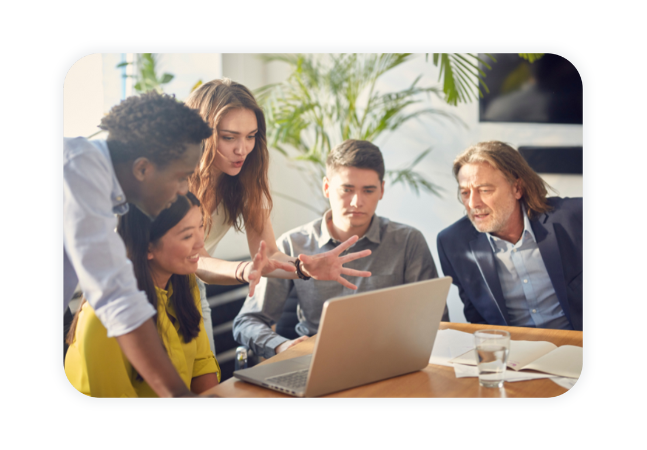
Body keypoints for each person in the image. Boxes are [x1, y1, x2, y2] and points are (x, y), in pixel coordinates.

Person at [183, 80, 373, 346]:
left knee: (201, 382)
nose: (242, 149)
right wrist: (245, 270)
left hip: (188, 290)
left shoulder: (245, 178)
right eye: (229, 137)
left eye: (251, 136)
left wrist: (304, 267)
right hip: (140, 286)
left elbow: (269, 253)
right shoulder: (177, 180)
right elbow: (194, 259)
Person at [232, 139, 444, 358]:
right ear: (326, 187)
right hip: (315, 359)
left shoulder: (408, 242)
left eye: (368, 190)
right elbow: (247, 321)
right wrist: (280, 346)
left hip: (389, 358)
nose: (356, 202)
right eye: (347, 189)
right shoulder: (293, 245)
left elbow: (435, 318)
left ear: (381, 190)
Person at [64, 91, 213, 397]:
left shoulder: (102, 191)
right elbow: (116, 298)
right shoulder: (78, 172)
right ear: (143, 168)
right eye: (181, 177)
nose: (184, 190)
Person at [66, 193, 220, 397]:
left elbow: (202, 362)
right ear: (147, 247)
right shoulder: (103, 317)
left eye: (201, 225)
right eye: (187, 235)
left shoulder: (185, 282)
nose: (201, 243)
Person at [436, 141, 582, 330]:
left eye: (485, 190)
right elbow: (478, 318)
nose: (472, 203)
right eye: (465, 192)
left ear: (517, 188)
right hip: (513, 352)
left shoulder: (576, 218)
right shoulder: (452, 243)